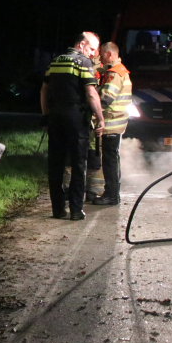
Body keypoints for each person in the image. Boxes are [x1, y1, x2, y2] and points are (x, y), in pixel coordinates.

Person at [40, 32, 105, 220]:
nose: (93, 54)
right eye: (92, 49)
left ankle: (58, 209)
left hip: (55, 116)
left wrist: (46, 115)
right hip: (76, 117)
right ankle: (76, 209)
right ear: (82, 45)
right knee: (78, 164)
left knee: (56, 163)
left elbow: (44, 90)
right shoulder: (83, 62)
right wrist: (100, 118)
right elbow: (91, 93)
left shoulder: (55, 61)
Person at [92, 41, 131, 205]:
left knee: (109, 161)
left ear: (109, 54)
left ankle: (111, 195)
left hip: (111, 122)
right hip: (117, 122)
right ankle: (113, 193)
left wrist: (91, 103)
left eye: (101, 53)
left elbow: (106, 99)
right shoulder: (119, 71)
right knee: (113, 159)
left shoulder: (114, 74)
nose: (99, 56)